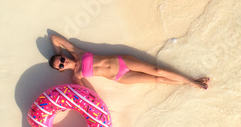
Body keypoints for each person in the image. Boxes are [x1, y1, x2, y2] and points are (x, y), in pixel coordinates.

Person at [48, 34, 209, 89]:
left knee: (158, 71)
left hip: (122, 62)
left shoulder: (76, 52)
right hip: (120, 78)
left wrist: (57, 53)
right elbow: (88, 94)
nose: (63, 62)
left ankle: (194, 83)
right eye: (61, 66)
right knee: (158, 79)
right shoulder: (76, 76)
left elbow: (55, 38)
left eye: (61, 60)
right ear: (61, 70)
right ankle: (191, 82)